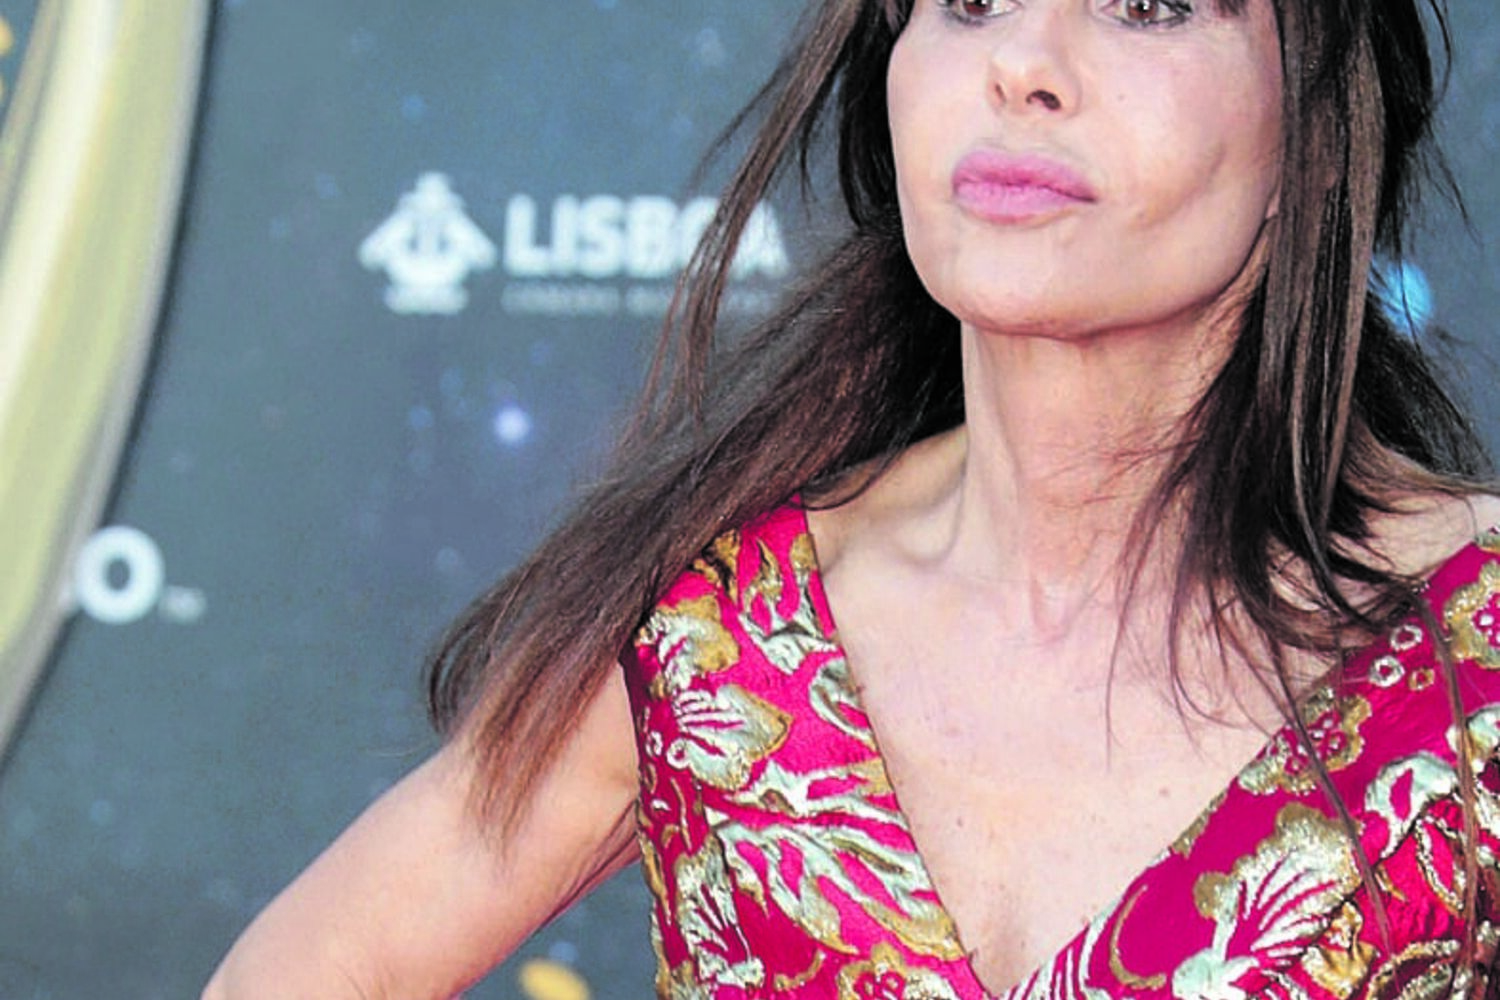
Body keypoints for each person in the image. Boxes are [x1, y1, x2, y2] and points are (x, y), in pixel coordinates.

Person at [204, 0, 1500, 997]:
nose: (1023, 65)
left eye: (1149, 5)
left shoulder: (1474, 652)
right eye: (970, 0)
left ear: (1322, 126)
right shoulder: (721, 635)